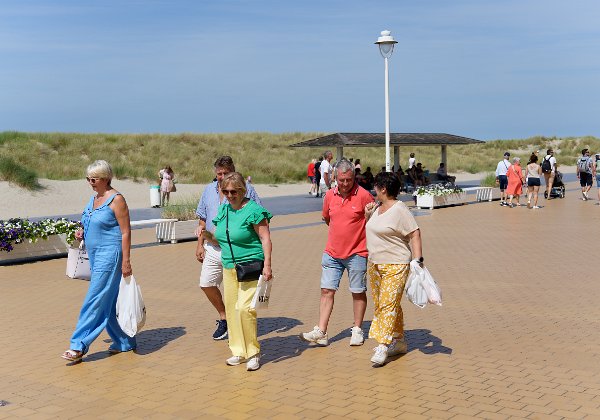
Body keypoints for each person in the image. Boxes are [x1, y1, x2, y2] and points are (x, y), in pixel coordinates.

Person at [61, 160, 136, 362]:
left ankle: (78, 345)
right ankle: (124, 341)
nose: (90, 182)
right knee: (107, 301)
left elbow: (126, 232)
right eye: (88, 179)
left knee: (94, 299)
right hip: (94, 255)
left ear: (106, 178)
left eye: (94, 179)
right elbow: (88, 220)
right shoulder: (94, 199)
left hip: (110, 256)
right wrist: (81, 231)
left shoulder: (117, 200)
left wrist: (126, 261)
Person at [300, 159, 375, 347]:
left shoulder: (364, 196)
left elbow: (374, 223)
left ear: (354, 177)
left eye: (349, 180)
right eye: (342, 180)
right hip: (332, 253)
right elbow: (327, 219)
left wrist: (367, 219)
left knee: (358, 291)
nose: (345, 184)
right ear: (335, 178)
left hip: (357, 253)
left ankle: (357, 329)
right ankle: (321, 331)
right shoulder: (329, 196)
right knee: (326, 290)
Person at [195, 156, 262, 341]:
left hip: (237, 249)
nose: (222, 176)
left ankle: (242, 329)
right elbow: (202, 219)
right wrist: (200, 244)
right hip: (212, 246)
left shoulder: (247, 189)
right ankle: (225, 317)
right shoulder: (208, 190)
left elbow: (258, 218)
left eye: (226, 173)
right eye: (219, 173)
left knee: (239, 294)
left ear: (233, 171)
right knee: (206, 283)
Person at [212, 172, 273, 371]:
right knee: (231, 309)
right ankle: (238, 351)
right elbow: (218, 238)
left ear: (243, 190)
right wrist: (204, 235)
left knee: (245, 308)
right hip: (229, 266)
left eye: (234, 191)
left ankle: (253, 352)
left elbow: (265, 239)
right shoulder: (224, 210)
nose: (230, 195)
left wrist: (267, 265)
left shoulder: (254, 210)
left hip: (250, 265)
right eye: (226, 192)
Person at [364, 172, 423, 366]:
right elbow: (373, 230)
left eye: (376, 186)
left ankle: (383, 345)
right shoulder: (376, 208)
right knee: (384, 304)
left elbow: (415, 233)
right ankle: (399, 341)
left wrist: (418, 261)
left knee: (387, 304)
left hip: (396, 264)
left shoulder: (400, 209)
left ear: (383, 189)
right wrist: (367, 215)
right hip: (375, 264)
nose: (374, 190)